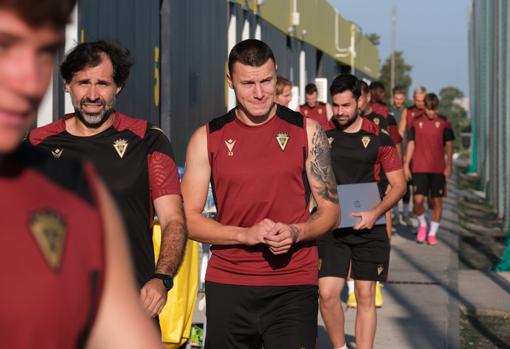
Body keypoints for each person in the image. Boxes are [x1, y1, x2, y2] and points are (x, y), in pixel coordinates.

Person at [0, 1, 163, 347]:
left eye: (43, 53)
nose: (30, 81)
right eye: (5, 47)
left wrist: (161, 278)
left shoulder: (76, 190)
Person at [182, 39, 339, 349]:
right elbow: (187, 219)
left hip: (292, 283)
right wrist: (245, 235)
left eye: (266, 81)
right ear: (230, 81)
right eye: (248, 83)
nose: (258, 92)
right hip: (229, 282)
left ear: (276, 73)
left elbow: (331, 211)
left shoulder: (307, 131)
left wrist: (297, 231)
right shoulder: (207, 137)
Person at [29, 40, 187, 319]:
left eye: (102, 83)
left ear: (118, 88)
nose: (92, 94)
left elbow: (173, 220)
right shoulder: (37, 143)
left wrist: (161, 279)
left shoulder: (148, 140)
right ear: (67, 85)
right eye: (83, 83)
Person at [318, 74, 406, 349]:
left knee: (366, 295)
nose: (340, 112)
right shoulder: (321, 134)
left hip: (370, 226)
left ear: (360, 100)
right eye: (336, 105)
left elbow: (399, 185)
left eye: (346, 105)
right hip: (332, 225)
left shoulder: (380, 138)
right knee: (328, 293)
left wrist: (375, 213)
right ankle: (340, 347)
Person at [404, 93, 454, 245]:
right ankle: (423, 225)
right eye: (428, 108)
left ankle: (432, 234)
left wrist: (449, 165)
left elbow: (449, 146)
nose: (431, 112)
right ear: (424, 107)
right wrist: (406, 165)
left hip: (437, 168)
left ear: (436, 108)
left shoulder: (444, 122)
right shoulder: (416, 121)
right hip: (419, 167)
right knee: (418, 201)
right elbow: (411, 143)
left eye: (433, 109)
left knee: (436, 202)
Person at [398, 85, 427, 227]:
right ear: (414, 98)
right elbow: (400, 132)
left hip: (424, 159)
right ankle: (406, 214)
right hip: (408, 156)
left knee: (420, 193)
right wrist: (400, 153)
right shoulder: (408, 111)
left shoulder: (429, 112)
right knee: (405, 186)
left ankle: (418, 216)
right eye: (418, 100)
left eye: (422, 100)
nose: (420, 103)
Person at [389, 86, 407, 224]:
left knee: (407, 182)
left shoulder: (407, 112)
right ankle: (394, 213)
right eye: (397, 98)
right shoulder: (388, 111)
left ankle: (405, 213)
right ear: (393, 98)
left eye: (401, 99)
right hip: (392, 150)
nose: (399, 101)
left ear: (404, 99)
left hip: (406, 150)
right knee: (394, 183)